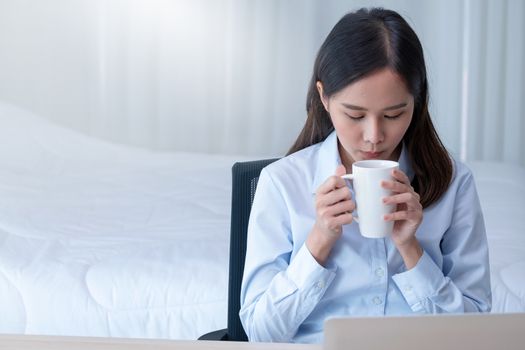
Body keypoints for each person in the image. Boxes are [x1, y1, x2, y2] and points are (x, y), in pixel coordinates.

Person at [239, 7, 491, 344]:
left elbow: (475, 336)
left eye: (393, 114)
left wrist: (410, 248)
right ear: (324, 97)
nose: (374, 136)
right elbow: (259, 333)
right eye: (355, 115)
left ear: (417, 102)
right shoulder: (283, 183)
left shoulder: (454, 183)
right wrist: (319, 241)